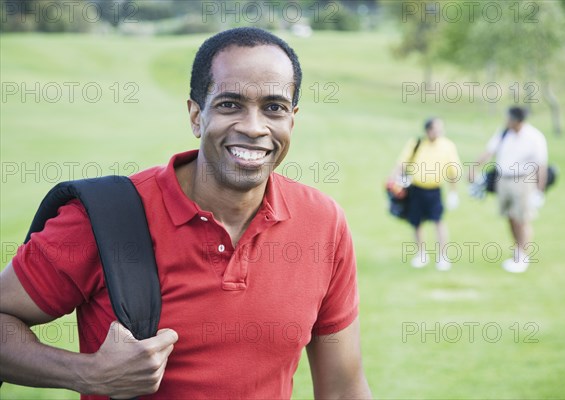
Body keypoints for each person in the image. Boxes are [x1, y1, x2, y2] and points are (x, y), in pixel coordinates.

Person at [0, 28, 371, 399]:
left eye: (273, 107)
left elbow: (342, 389)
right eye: (230, 104)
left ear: (292, 120)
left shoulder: (324, 223)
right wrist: (88, 374)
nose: (254, 127)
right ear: (196, 115)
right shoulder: (105, 218)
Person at [470, 106, 548, 273]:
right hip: (503, 180)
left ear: (518, 121)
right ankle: (517, 250)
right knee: (510, 217)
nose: (507, 121)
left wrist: (539, 191)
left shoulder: (534, 137)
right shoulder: (504, 133)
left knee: (522, 218)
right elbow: (489, 151)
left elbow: (541, 166)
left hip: (523, 180)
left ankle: (523, 255)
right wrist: (474, 167)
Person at [395, 118, 461, 271]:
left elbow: (453, 171)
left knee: (438, 222)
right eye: (435, 129)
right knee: (416, 223)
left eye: (440, 129)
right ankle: (421, 254)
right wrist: (395, 182)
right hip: (417, 189)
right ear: (427, 130)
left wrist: (453, 193)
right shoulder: (417, 143)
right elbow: (402, 163)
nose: (438, 132)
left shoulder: (447, 145)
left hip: (435, 190)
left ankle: (443, 256)